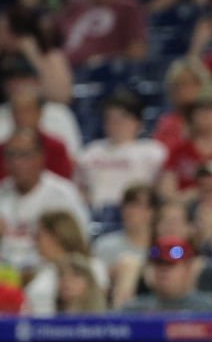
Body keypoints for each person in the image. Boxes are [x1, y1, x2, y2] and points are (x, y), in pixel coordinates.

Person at [0, 128, 91, 274]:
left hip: (51, 271)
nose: (17, 162)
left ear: (40, 156)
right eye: (11, 155)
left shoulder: (62, 194)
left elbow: (79, 243)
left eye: (24, 155)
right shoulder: (2, 191)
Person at [76, 90, 167, 213]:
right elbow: (79, 189)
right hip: (98, 213)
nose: (116, 124)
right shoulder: (91, 152)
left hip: (137, 213)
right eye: (110, 118)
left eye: (122, 118)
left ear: (138, 123)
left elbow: (161, 190)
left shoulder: (153, 151)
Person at [120, 236, 212, 313]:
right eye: (159, 263)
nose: (164, 269)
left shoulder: (205, 308)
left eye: (171, 264)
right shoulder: (135, 310)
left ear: (187, 269)